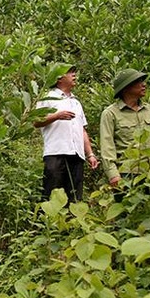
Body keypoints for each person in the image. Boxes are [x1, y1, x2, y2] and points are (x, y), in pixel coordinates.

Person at [34, 66, 99, 202]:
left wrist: (90, 154)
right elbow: (36, 122)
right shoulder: (48, 97)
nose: (74, 75)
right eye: (69, 72)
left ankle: (72, 222)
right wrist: (56, 116)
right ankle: (48, 221)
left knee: (74, 195)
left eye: (74, 72)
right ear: (59, 78)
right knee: (51, 193)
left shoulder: (76, 103)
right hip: (56, 152)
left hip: (77, 154)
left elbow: (82, 130)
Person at [100, 69, 150, 191]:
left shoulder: (149, 110)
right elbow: (107, 146)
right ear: (125, 87)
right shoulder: (110, 114)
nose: (144, 84)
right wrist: (113, 174)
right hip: (127, 174)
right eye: (138, 81)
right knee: (127, 209)